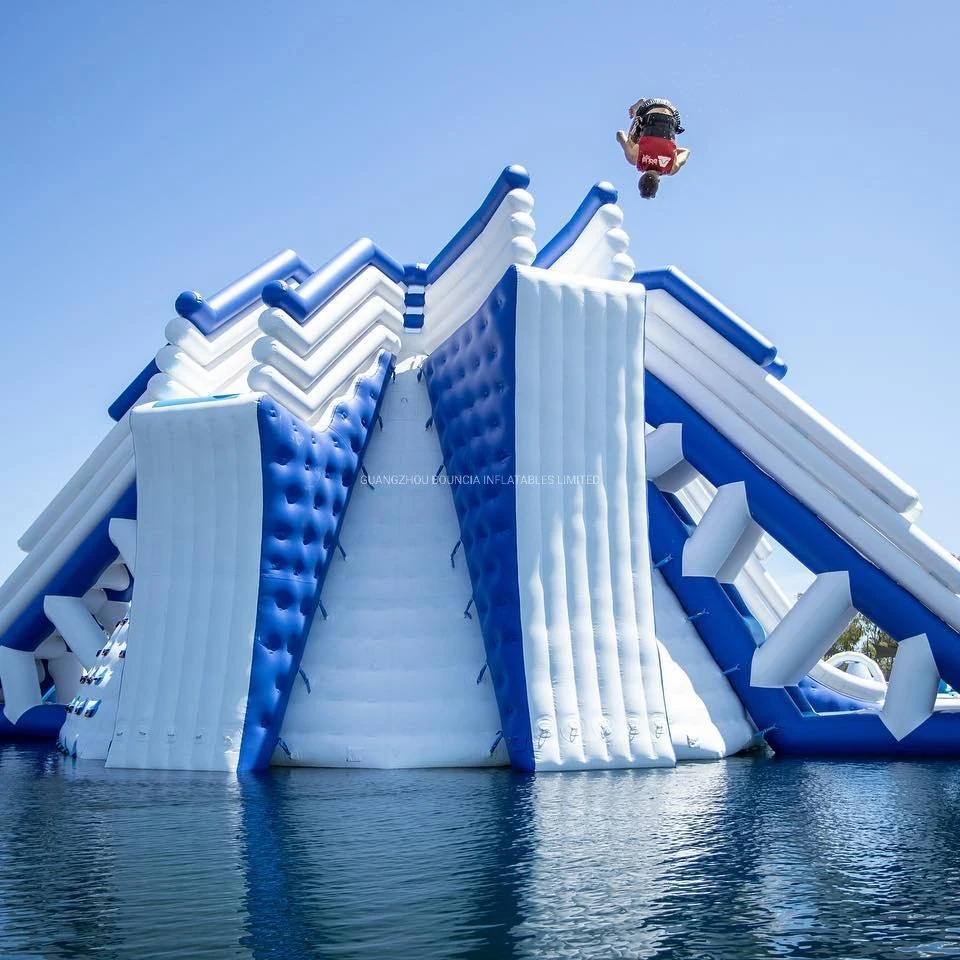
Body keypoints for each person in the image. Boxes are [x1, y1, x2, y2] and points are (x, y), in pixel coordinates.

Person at [616, 98, 690, 198]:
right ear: (641, 177)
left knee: (636, 145)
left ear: (658, 182)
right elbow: (620, 133)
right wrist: (626, 143)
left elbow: (686, 151)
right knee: (631, 145)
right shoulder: (635, 159)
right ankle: (639, 108)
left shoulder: (671, 168)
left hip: (672, 113)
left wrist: (669, 153)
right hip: (648, 107)